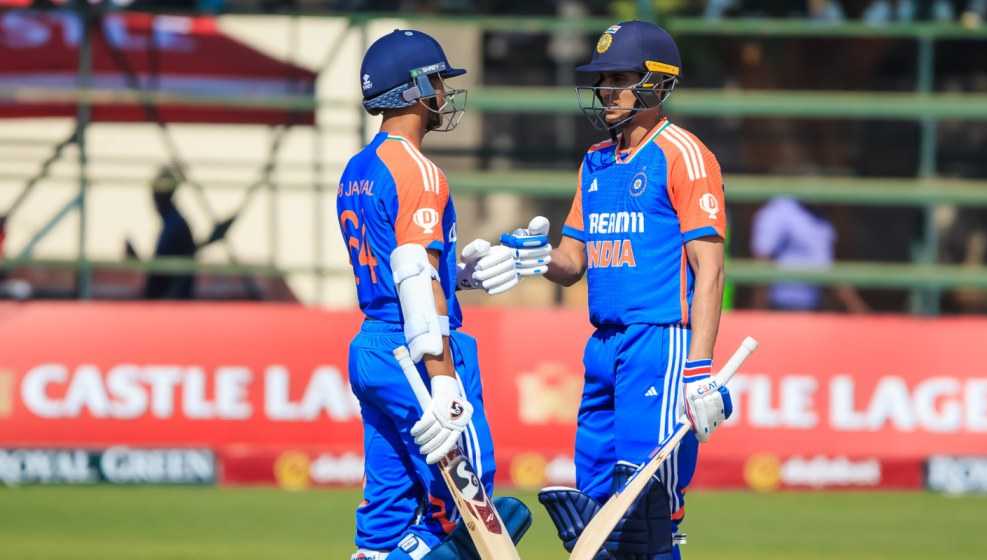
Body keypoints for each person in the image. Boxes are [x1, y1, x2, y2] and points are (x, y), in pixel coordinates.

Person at [501, 21, 735, 559]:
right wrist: (530, 257)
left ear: (655, 83)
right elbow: (572, 260)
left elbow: (710, 267)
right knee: (596, 511)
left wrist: (698, 369)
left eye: (620, 78)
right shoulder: (596, 161)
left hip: (660, 343)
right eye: (602, 79)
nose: (607, 91)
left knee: (644, 509)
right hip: (603, 346)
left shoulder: (683, 154)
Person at [338, 29, 534, 560]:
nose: (444, 95)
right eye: (438, 82)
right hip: (417, 348)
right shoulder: (419, 171)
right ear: (414, 89)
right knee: (473, 509)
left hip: (374, 345)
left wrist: (460, 274)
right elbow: (411, 272)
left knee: (386, 512)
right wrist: (443, 376)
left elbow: (392, 262)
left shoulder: (357, 169)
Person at [750, 197, 869, 313]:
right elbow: (762, 260)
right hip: (783, 308)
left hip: (814, 307)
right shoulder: (778, 211)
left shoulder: (821, 215)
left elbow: (826, 267)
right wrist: (758, 314)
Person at [144, 166, 196, 300]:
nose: (153, 200)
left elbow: (174, 277)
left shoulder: (175, 226)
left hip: (167, 306)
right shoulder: (172, 223)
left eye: (155, 194)